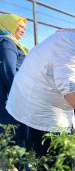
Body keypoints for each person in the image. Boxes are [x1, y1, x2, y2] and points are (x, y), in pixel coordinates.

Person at [6, 14, 75, 157]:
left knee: (61, 151)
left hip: (52, 102)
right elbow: (71, 86)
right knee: (51, 156)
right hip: (35, 102)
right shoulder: (70, 44)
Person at [0, 13, 28, 147]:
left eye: (24, 28)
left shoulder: (9, 42)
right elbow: (9, 73)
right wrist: (23, 97)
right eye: (20, 26)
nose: (22, 30)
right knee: (17, 146)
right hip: (12, 103)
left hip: (12, 100)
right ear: (9, 24)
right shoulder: (7, 42)